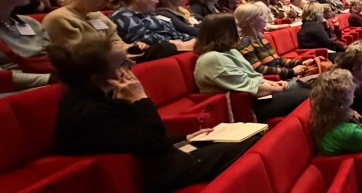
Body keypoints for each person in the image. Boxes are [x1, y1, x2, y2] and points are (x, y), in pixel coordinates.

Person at [51, 35, 254, 192]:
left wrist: (183, 138)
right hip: (156, 173)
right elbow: (149, 143)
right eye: (121, 64)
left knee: (249, 137)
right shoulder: (88, 112)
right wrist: (140, 99)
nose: (131, 65)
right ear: (97, 78)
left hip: (164, 158)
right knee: (250, 146)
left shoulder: (102, 95)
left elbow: (134, 137)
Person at [194, 13, 309, 121]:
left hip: (261, 96)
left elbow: (253, 76)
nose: (239, 29)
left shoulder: (230, 51)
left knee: (312, 88)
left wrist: (273, 83)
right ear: (225, 32)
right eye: (236, 26)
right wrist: (280, 88)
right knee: (311, 95)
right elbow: (249, 87)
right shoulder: (212, 59)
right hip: (248, 105)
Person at [0, 0, 52, 91]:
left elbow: (52, 55)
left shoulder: (30, 22)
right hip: (14, 90)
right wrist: (49, 79)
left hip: (50, 78)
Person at [235, 3, 315, 80]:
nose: (265, 17)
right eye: (260, 15)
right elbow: (259, 69)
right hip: (275, 81)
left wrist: (300, 63)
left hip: (284, 76)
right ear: (251, 21)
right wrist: (291, 71)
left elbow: (277, 60)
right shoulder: (243, 42)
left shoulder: (260, 37)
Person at [110, 0, 194, 56]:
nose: (157, 1)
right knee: (166, 47)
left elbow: (172, 32)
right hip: (160, 49)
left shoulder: (150, 14)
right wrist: (178, 43)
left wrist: (190, 39)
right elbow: (142, 38)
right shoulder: (122, 15)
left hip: (179, 45)